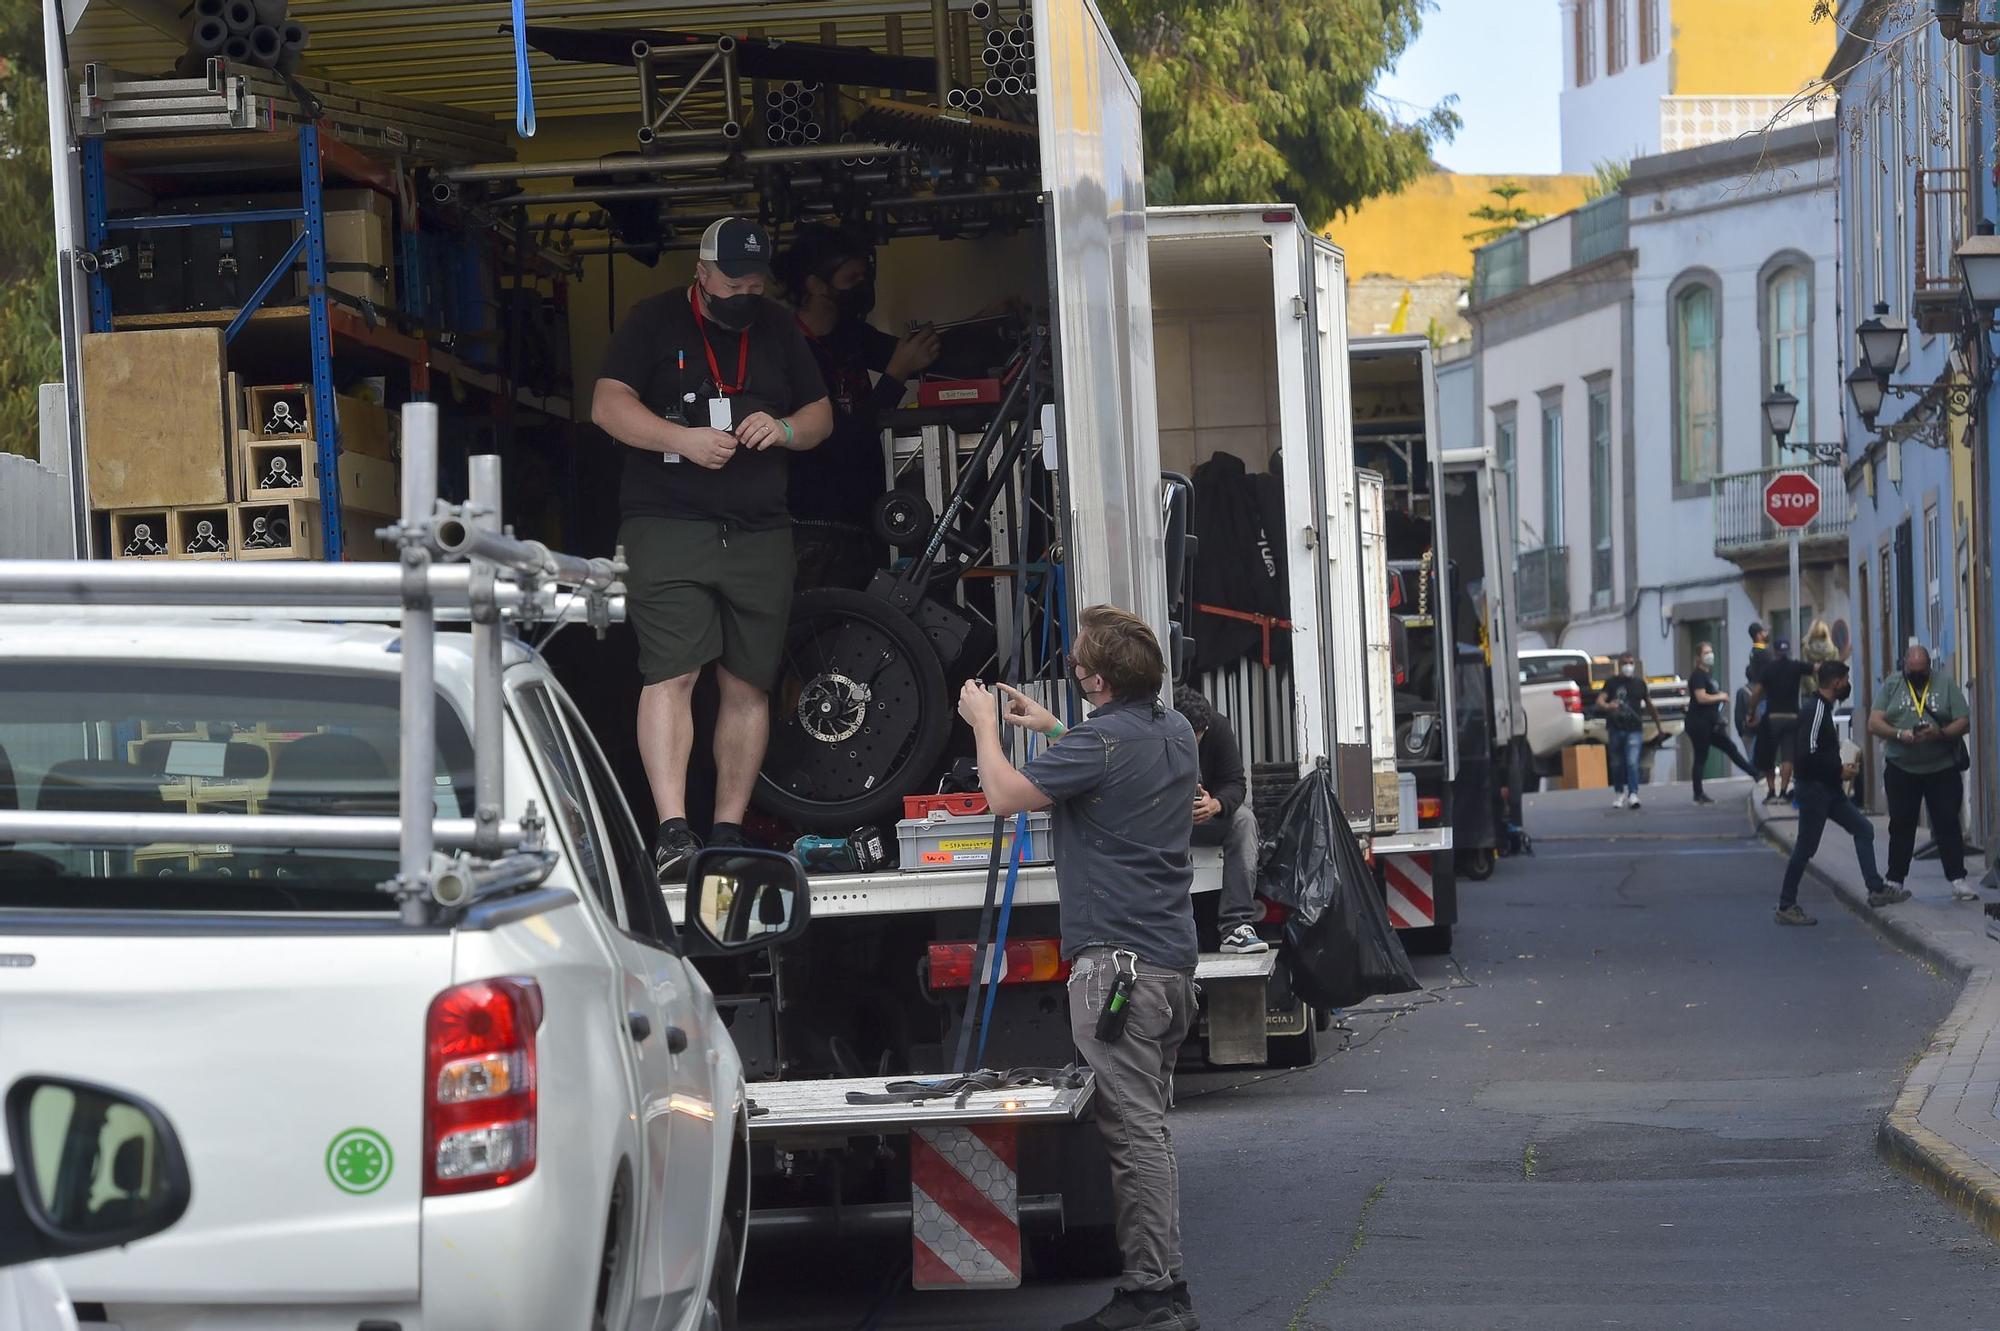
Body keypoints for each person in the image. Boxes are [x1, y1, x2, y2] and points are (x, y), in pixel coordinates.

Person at [955, 606, 1199, 1331]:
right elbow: (1105, 757)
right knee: (1149, 1126)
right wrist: (1050, 727)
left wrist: (986, 725)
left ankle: (1154, 1293)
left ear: (1092, 677)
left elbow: (1003, 796)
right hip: (1171, 966)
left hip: (1115, 971)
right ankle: (1161, 1285)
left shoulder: (1098, 742)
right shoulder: (1174, 730)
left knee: (1133, 1134)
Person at [591, 217, 835, 879]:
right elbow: (607, 405)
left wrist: (782, 427)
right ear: (701, 272)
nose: (744, 293)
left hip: (759, 529)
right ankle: (674, 831)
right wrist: (686, 440)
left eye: (756, 283)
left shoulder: (778, 328)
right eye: (733, 282)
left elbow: (821, 415)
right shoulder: (654, 321)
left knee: (749, 683)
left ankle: (727, 828)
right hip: (668, 523)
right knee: (672, 672)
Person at [775, 224, 942, 589]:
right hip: (813, 527)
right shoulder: (788, 352)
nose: (862, 287)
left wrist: (985, 322)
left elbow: (919, 357)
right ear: (816, 285)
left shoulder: (851, 334)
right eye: (852, 278)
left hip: (863, 520)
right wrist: (897, 375)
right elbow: (841, 442)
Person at [1776, 660, 1900, 925]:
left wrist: (1837, 770)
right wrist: (1837, 771)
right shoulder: (1816, 710)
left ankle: (1875, 889)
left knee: (1863, 829)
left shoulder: (1822, 709)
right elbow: (1807, 755)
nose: (1847, 685)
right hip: (1815, 791)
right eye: (1845, 680)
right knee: (1805, 848)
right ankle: (1786, 905)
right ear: (1835, 683)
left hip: (1829, 790)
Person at [1868, 644, 1977, 902]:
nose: (1917, 675)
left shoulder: (1945, 684)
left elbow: (1964, 720)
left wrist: (1940, 733)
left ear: (1930, 667)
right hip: (1901, 768)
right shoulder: (1892, 685)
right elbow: (1874, 722)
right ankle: (1895, 878)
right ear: (1905, 666)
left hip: (1941, 768)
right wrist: (1899, 734)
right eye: (1912, 671)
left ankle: (1958, 879)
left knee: (1948, 823)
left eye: (1922, 671)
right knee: (1901, 824)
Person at [1172, 686, 1266, 955]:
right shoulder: (1155, 736)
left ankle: (1236, 927)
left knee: (1244, 820)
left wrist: (1216, 804)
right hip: (1166, 823)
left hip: (1207, 820)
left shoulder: (1218, 727)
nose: (1195, 744)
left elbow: (1236, 783)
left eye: (1199, 737)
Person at [1685, 640, 1759, 804]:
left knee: (1730, 748)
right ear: (1698, 657)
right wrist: (1720, 696)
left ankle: (1755, 774)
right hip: (1699, 723)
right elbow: (1701, 697)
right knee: (1701, 756)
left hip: (1712, 723)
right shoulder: (1697, 675)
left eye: (1710, 652)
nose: (1710, 655)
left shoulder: (1707, 675)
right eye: (1706, 653)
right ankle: (1698, 793)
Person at [1596, 652, 1660, 810]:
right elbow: (1600, 700)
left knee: (1632, 762)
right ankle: (1619, 793)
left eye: (1630, 663)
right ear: (1619, 664)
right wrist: (1607, 706)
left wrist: (1659, 725)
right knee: (1617, 763)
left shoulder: (1639, 684)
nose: (1628, 666)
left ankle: (1633, 793)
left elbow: (1649, 704)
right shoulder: (1611, 683)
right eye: (1625, 663)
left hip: (1634, 729)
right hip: (1615, 728)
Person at [1753, 638, 1813, 804]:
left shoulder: (1768, 669)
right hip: (1792, 717)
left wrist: (1751, 711)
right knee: (1788, 756)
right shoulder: (1796, 666)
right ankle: (1784, 792)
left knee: (1768, 756)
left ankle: (1772, 791)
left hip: (1773, 717)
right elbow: (1817, 669)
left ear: (1775, 651)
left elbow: (1757, 692)